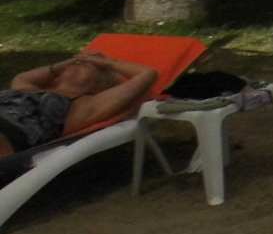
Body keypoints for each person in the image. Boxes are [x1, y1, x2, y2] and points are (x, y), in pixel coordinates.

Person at [2, 47, 162, 156]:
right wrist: (64, 64)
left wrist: (109, 63)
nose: (82, 60)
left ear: (100, 83)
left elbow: (147, 74)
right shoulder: (29, 89)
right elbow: (21, 77)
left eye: (91, 63)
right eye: (79, 60)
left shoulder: (85, 105)